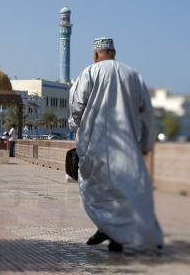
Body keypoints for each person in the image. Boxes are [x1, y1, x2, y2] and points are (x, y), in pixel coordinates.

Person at [68, 37, 162, 252]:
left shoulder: (90, 72)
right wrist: (146, 142)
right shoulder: (132, 75)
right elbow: (147, 112)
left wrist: (74, 127)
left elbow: (76, 106)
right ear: (114, 53)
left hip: (94, 143)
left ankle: (110, 232)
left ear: (95, 55)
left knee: (98, 191)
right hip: (126, 146)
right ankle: (113, 234)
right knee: (125, 191)